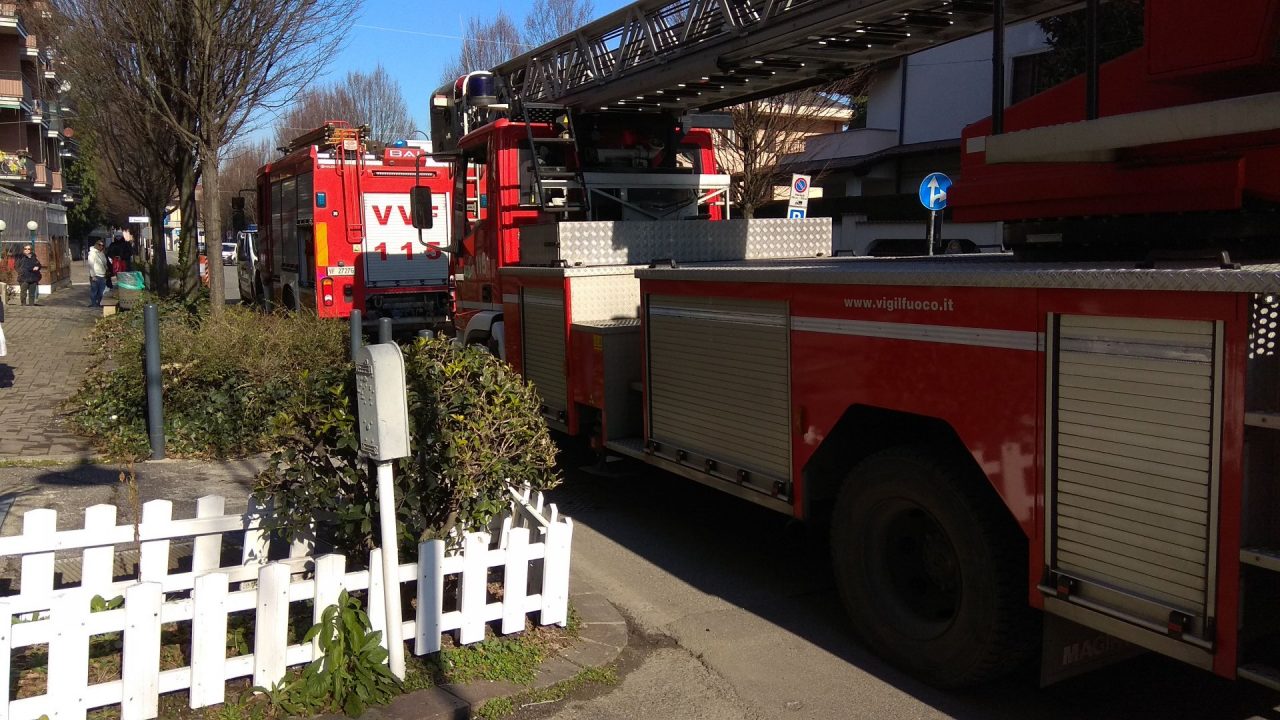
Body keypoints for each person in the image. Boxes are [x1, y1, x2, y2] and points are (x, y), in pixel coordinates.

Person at [87, 238, 109, 307]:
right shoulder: (92, 253)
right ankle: (94, 304)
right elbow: (91, 264)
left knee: (101, 292)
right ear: (96, 245)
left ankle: (100, 303)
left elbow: (105, 263)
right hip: (96, 275)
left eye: (102, 245)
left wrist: (107, 270)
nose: (101, 246)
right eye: (100, 245)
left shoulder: (102, 253)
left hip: (102, 275)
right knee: (94, 291)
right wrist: (92, 275)